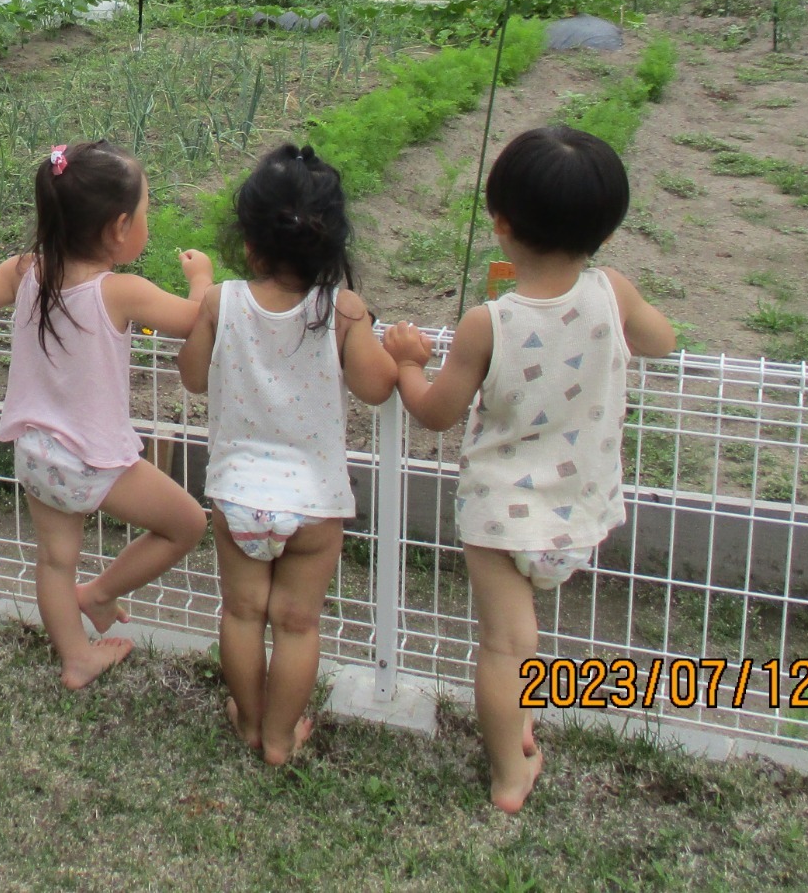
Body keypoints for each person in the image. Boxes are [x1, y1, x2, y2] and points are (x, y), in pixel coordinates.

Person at [383, 125, 676, 813]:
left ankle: (509, 777)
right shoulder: (614, 292)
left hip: (499, 512)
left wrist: (405, 364)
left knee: (505, 647)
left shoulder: (492, 321)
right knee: (525, 646)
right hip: (579, 506)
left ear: (502, 224)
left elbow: (437, 411)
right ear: (606, 227)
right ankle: (518, 731)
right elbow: (660, 340)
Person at [0, 141, 211, 689]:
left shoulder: (27, 270)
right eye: (146, 212)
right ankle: (100, 593)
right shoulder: (121, 291)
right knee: (186, 523)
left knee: (54, 561)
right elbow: (195, 322)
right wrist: (201, 279)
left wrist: (5, 275)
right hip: (95, 461)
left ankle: (76, 656)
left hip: (37, 454)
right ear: (119, 229)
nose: (148, 221)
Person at [177, 144, 397, 765]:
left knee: (242, 615)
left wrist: (203, 311)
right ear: (332, 245)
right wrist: (402, 354)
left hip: (238, 495)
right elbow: (377, 387)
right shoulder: (343, 311)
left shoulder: (222, 303)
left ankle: (247, 720)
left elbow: (193, 376)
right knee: (298, 624)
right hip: (314, 503)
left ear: (248, 242)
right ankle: (278, 737)